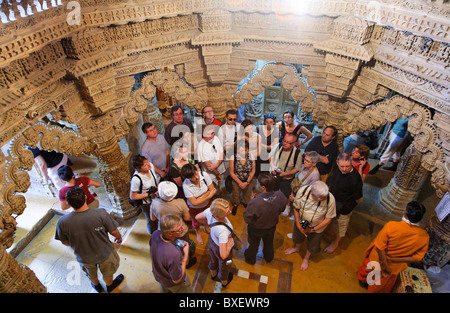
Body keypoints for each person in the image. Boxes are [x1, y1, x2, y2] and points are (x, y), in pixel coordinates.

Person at [55, 187, 124, 293]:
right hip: (105, 252)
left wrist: (77, 242)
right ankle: (109, 286)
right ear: (86, 197)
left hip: (84, 256)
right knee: (108, 272)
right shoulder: (101, 213)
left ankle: (96, 286)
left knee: (91, 273)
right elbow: (114, 231)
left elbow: (64, 241)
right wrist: (119, 237)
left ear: (68, 203)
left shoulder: (62, 222)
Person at [357, 201, 429, 293]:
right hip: (394, 267)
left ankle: (364, 282)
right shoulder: (424, 237)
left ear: (406, 212)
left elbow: (380, 247)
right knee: (378, 285)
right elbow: (416, 257)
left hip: (377, 260)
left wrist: (386, 266)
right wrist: (393, 260)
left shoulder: (391, 226)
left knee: (370, 274)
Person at [285, 181, 336, 271]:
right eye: (321, 197)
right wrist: (298, 223)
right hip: (301, 223)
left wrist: (313, 229)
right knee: (297, 237)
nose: (324, 198)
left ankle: (306, 258)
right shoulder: (303, 191)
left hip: (317, 228)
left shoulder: (330, 199)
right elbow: (296, 208)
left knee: (313, 244)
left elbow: (328, 219)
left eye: (325, 196)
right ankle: (297, 248)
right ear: (312, 193)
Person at [243, 173, 287, 265]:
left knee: (253, 245)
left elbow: (247, 219)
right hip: (271, 227)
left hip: (256, 229)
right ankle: (268, 258)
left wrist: (251, 201)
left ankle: (250, 260)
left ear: (262, 187)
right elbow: (282, 209)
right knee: (269, 243)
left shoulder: (255, 202)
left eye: (258, 183)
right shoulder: (280, 196)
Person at [324, 153, 363, 254]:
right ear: (337, 163)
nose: (344, 169)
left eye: (347, 166)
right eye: (342, 166)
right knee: (331, 218)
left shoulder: (355, 179)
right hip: (333, 202)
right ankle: (329, 229)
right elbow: (332, 180)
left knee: (341, 226)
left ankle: (335, 243)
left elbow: (359, 199)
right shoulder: (337, 168)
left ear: (351, 164)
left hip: (345, 207)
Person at [195, 198, 235, 288]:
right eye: (227, 211)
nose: (230, 211)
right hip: (221, 246)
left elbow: (197, 217)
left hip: (212, 241)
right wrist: (228, 247)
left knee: (213, 258)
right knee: (224, 264)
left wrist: (206, 224)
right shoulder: (223, 231)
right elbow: (223, 255)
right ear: (220, 215)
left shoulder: (211, 210)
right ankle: (224, 281)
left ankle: (213, 274)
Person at [150, 214, 193, 293]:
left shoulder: (155, 234)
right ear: (169, 233)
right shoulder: (173, 253)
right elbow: (177, 279)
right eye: (179, 229)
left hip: (161, 277)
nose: (183, 228)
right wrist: (185, 254)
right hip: (175, 284)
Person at [182, 163, 217, 245]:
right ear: (188, 178)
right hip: (194, 208)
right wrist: (208, 195)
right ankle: (198, 232)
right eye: (192, 177)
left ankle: (206, 226)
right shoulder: (186, 185)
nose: (196, 177)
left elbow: (212, 189)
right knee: (196, 221)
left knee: (208, 216)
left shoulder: (204, 175)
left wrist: (199, 198)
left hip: (207, 204)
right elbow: (193, 203)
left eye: (196, 173)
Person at [269, 132, 302, 217]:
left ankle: (287, 206)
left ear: (294, 143)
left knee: (286, 193)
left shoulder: (297, 153)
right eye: (285, 141)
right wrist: (273, 167)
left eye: (289, 143)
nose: (285, 144)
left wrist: (286, 174)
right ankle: (274, 204)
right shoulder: (278, 146)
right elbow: (270, 157)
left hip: (287, 178)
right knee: (273, 190)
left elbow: (297, 168)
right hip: (275, 175)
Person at [129, 155, 160, 235]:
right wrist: (148, 194)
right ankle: (153, 234)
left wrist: (161, 172)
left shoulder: (150, 166)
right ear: (139, 168)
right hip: (146, 202)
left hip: (155, 197)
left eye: (147, 162)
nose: (148, 165)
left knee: (157, 215)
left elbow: (154, 169)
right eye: (145, 165)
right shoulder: (136, 179)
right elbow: (133, 196)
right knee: (151, 219)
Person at [286, 151, 321, 219]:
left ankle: (297, 216)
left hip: (303, 195)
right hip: (296, 189)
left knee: (299, 208)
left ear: (314, 163)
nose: (304, 162)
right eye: (305, 159)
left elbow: (309, 193)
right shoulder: (304, 167)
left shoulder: (315, 176)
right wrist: (292, 193)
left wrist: (296, 198)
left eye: (308, 161)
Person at [229, 139, 256, 215]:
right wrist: (240, 183)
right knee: (236, 194)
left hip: (248, 179)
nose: (243, 152)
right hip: (237, 179)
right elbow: (232, 173)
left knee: (247, 193)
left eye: (245, 150)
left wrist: (247, 182)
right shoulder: (233, 157)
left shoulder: (251, 156)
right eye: (241, 150)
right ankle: (235, 204)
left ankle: (245, 203)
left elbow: (253, 171)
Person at [220, 109, 242, 179]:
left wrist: (230, 145)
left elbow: (242, 142)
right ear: (226, 118)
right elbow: (222, 148)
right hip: (227, 157)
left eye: (234, 119)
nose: (232, 121)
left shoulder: (238, 127)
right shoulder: (222, 129)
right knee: (228, 177)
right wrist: (234, 144)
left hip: (238, 155)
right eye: (230, 119)